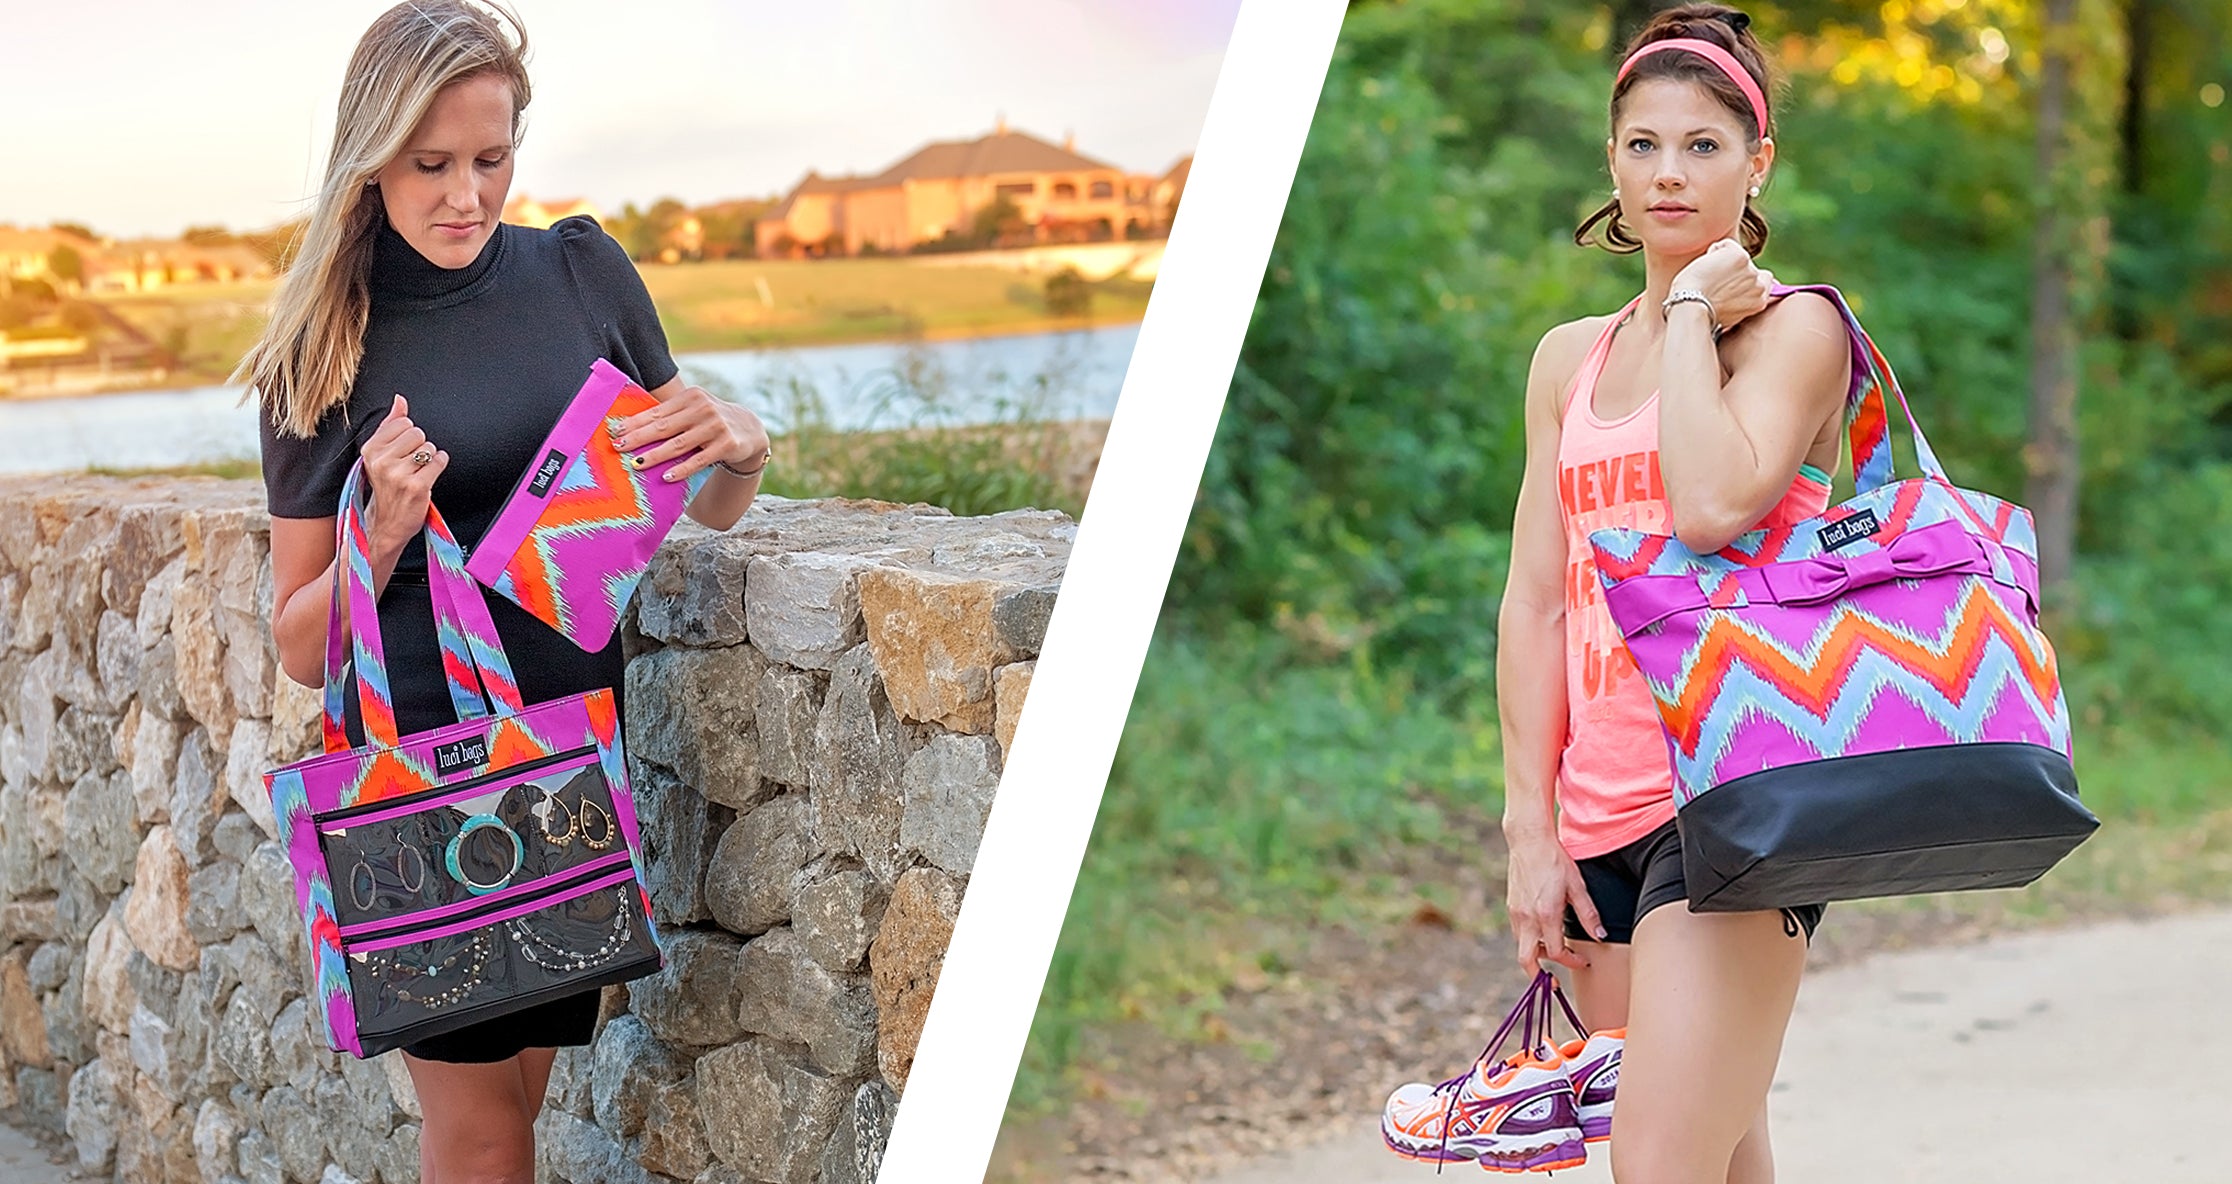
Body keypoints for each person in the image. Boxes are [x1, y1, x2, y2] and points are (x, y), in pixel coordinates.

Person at [241, 4, 770, 1180]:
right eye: (431, 165)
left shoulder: (580, 271)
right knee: (478, 1130)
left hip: (569, 762)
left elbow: (698, 498)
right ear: (368, 156)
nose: (466, 195)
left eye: (493, 158)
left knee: (514, 1106)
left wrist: (736, 441)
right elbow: (292, 639)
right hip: (421, 785)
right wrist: (377, 536)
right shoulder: (320, 349)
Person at [1498, 6, 1851, 1182]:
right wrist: (1528, 825)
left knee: (1657, 1164)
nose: (1668, 172)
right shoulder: (1568, 359)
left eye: (1704, 145)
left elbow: (1710, 503)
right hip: (1595, 808)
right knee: (1720, 1155)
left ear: (1758, 163)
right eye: (1643, 143)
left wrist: (1697, 305)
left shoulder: (1799, 332)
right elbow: (1537, 602)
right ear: (1610, 159)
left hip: (1739, 796)